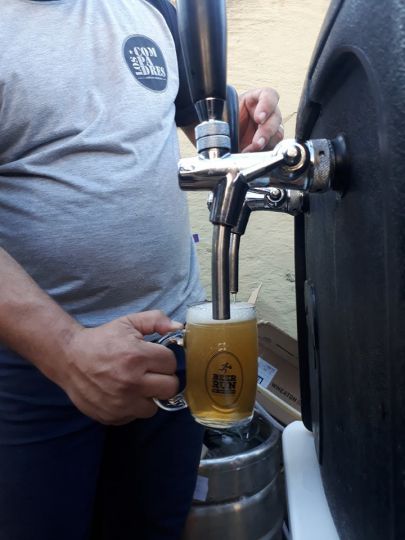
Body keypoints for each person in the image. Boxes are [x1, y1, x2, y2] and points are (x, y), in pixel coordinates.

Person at [0, 1, 283, 539]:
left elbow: (215, 131)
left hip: (173, 347)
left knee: (154, 527)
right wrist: (66, 349)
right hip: (32, 371)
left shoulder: (152, 10)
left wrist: (246, 131)